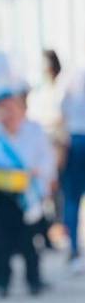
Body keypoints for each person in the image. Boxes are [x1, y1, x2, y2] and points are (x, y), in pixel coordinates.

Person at [0, 88, 55, 297]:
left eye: (13, 108)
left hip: (28, 196)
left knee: (30, 242)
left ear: (21, 109)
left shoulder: (35, 131)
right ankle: (2, 282)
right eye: (4, 109)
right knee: (0, 241)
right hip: (1, 196)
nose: (9, 114)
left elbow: (47, 159)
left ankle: (34, 281)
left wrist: (40, 178)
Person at [61, 66, 85, 273]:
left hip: (75, 139)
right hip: (75, 139)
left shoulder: (71, 75)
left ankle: (74, 248)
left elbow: (61, 111)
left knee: (72, 198)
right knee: (71, 199)